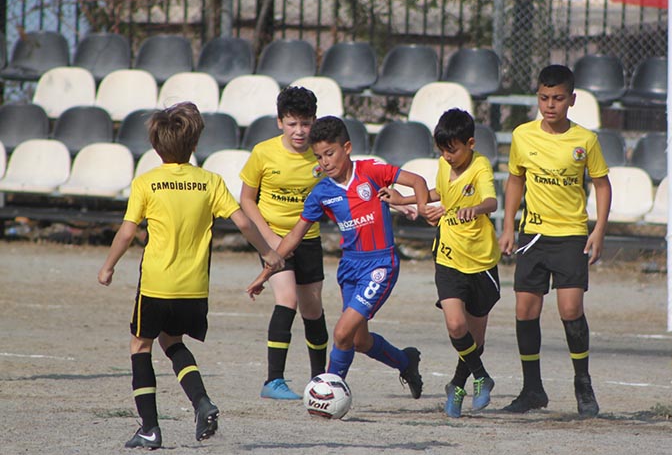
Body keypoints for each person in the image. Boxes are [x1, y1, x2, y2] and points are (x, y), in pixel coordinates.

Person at [97, 102, 283, 450]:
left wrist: (108, 267)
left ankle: (150, 428)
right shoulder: (209, 182)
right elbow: (242, 220)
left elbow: (126, 232)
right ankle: (201, 402)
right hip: (194, 289)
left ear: (155, 146)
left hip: (156, 285)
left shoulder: (147, 183)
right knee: (172, 341)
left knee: (141, 345)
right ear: (194, 145)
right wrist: (269, 253)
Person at [246, 115, 428, 399]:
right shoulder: (322, 192)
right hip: (350, 268)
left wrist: (423, 207)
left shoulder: (371, 170)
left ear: (347, 147)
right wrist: (265, 274)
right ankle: (406, 362)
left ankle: (326, 393)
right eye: (318, 157)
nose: (324, 162)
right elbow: (294, 236)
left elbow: (417, 181)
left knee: (342, 332)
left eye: (330, 154)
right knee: (358, 339)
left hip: (380, 263)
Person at [498, 64, 611, 416]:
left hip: (572, 236)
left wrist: (599, 229)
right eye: (545, 98)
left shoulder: (585, 140)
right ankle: (532, 389)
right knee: (524, 310)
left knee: (570, 309)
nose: (551, 105)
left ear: (571, 99)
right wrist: (507, 227)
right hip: (533, 235)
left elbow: (602, 184)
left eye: (558, 98)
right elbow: (515, 180)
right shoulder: (523, 135)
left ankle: (583, 383)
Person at [380, 109, 500, 418]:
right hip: (448, 256)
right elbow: (440, 194)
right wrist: (403, 198)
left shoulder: (480, 166)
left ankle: (458, 386)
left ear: (470, 143)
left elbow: (491, 201)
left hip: (482, 261)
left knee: (476, 339)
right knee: (455, 324)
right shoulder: (442, 165)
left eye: (453, 149)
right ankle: (483, 377)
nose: (447, 156)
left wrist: (475, 209)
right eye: (442, 150)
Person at [239, 86, 328, 400]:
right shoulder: (263, 153)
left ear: (314, 122)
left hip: (308, 239)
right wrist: (269, 237)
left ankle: (321, 382)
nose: (299, 131)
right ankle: (273, 381)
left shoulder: (322, 155)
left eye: (305, 123)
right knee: (287, 298)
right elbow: (246, 200)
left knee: (313, 308)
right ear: (280, 122)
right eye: (292, 123)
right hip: (273, 240)